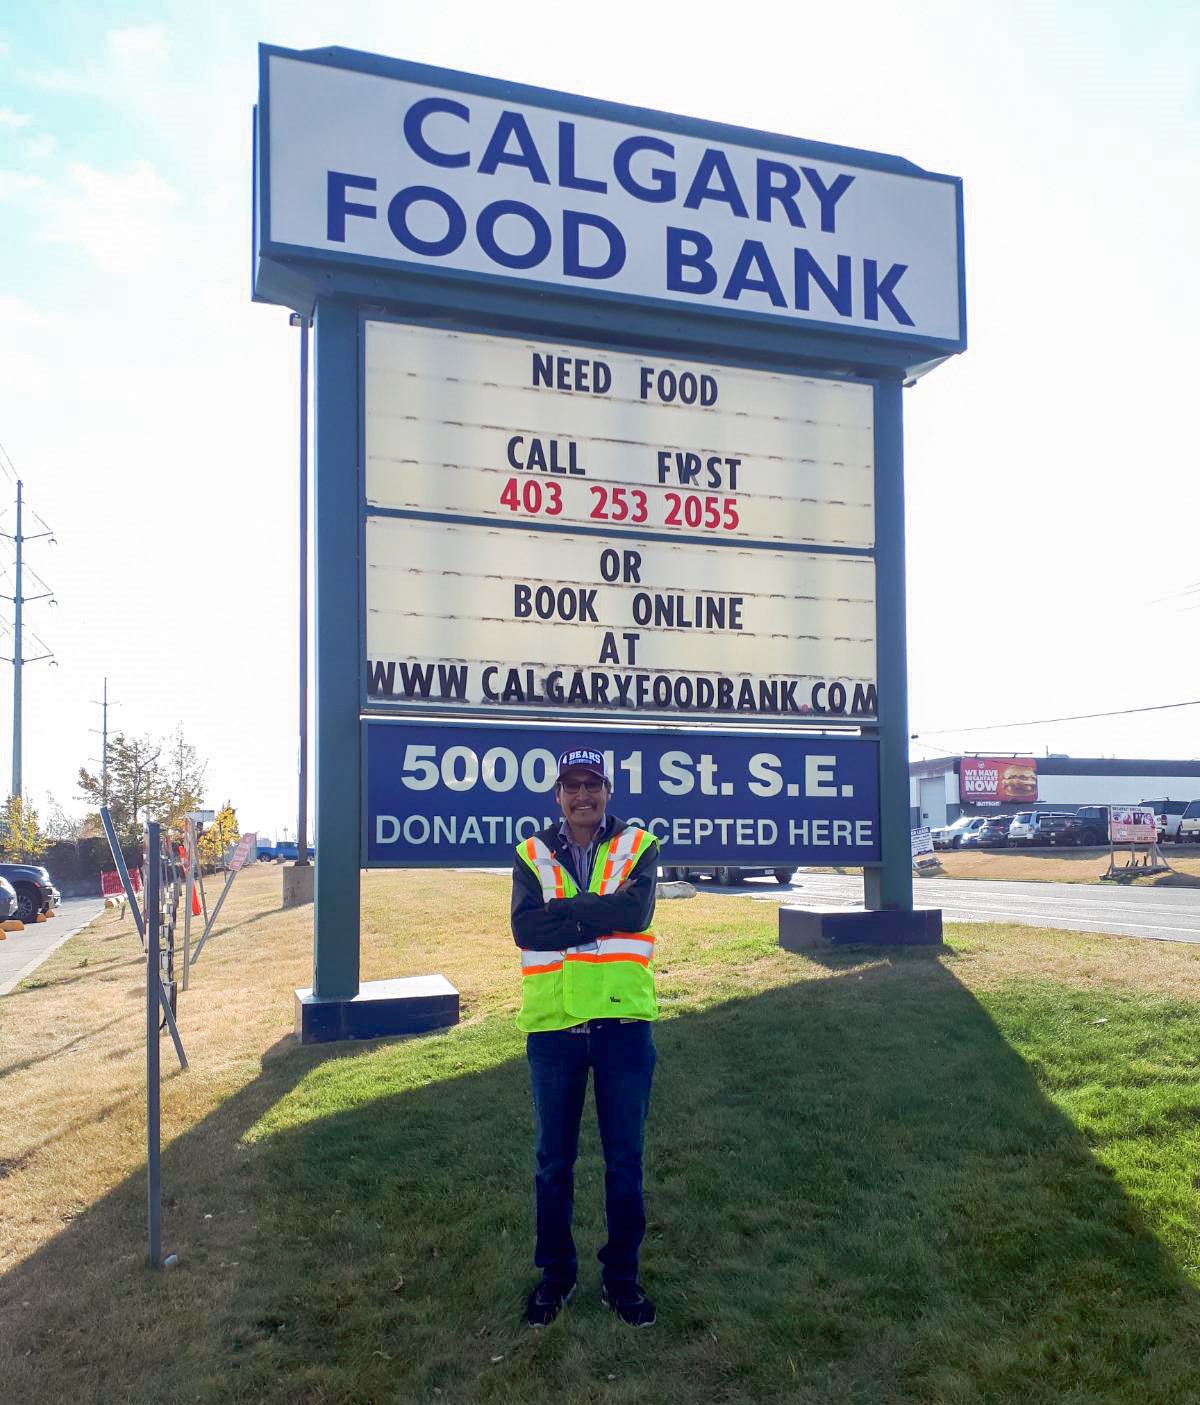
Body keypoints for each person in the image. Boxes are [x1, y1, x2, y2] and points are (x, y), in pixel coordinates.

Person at [511, 745, 660, 1329]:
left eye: (592, 785)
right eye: (571, 787)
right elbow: (526, 928)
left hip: (623, 1026)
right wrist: (599, 913)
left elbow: (638, 913)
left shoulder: (639, 845)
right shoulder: (530, 853)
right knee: (554, 1162)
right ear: (557, 796)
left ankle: (621, 1280)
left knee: (625, 1160)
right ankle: (557, 1276)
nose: (582, 796)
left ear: (607, 791)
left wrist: (566, 915)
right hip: (555, 1029)